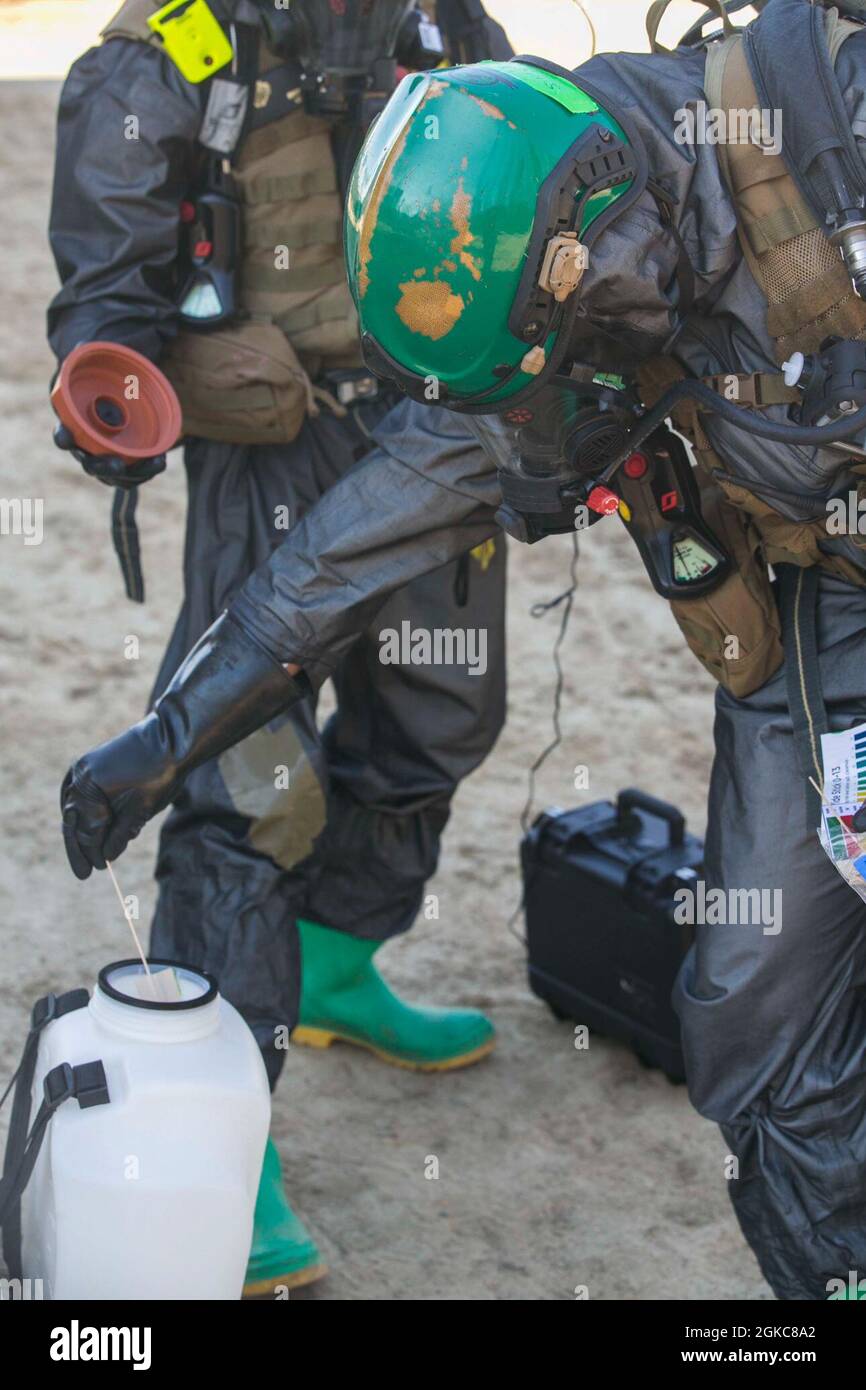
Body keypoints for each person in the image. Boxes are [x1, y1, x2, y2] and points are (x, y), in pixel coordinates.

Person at [60, 0, 866, 1300]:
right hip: (804, 601)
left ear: (607, 256)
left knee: (446, 709)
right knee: (746, 1014)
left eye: (571, 367)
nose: (558, 417)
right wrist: (168, 732)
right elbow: (332, 559)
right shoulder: (533, 323)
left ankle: (339, 951)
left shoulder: (815, 112)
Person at [48, 0, 512, 1295]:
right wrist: (114, 382)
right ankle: (218, 1126)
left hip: (429, 429)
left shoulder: (447, 26)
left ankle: (332, 958)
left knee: (444, 713)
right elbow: (106, 276)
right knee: (251, 777)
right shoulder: (173, 49)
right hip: (275, 434)